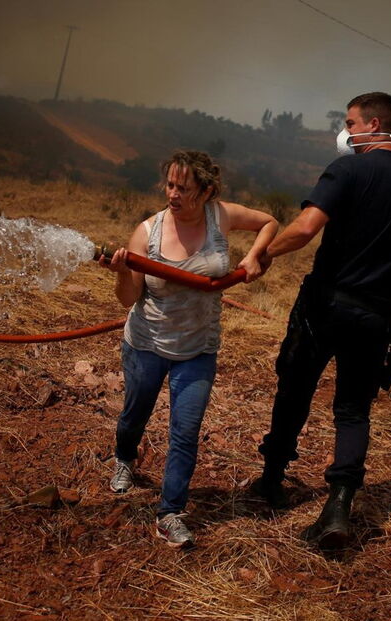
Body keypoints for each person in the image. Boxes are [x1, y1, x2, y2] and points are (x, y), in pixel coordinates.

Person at [250, 92, 391, 549]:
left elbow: (305, 229)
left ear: (373, 124)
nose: (343, 131)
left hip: (324, 306)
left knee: (295, 389)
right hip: (376, 317)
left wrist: (261, 254)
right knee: (352, 410)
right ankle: (338, 509)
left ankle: (270, 483)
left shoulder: (346, 169)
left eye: (349, 122)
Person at [100, 150, 278, 548]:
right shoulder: (148, 232)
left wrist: (252, 256)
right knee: (136, 413)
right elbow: (128, 299)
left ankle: (170, 513)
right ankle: (125, 458)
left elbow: (270, 222)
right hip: (148, 342)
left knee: (185, 431)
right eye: (170, 185)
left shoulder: (222, 216)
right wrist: (121, 273)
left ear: (206, 191)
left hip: (198, 348)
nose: (173, 194)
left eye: (184, 187)